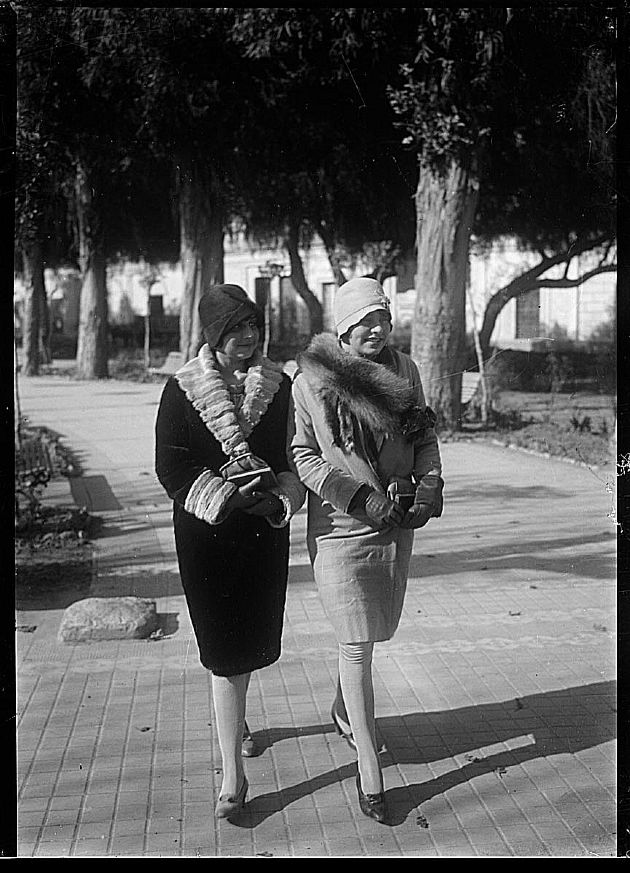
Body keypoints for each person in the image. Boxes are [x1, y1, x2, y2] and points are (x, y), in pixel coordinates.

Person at [289, 277, 443, 824]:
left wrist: (430, 483)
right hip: (340, 529)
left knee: (367, 635)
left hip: (395, 523)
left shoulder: (406, 370)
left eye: (382, 317)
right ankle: (369, 774)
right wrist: (356, 497)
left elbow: (423, 434)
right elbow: (304, 457)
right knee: (356, 645)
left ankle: (341, 709)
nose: (376, 328)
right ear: (343, 326)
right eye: (364, 320)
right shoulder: (311, 380)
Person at [155, 283, 305, 821]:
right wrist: (223, 495)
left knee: (249, 645)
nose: (247, 338)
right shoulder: (181, 390)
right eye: (235, 329)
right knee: (223, 656)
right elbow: (171, 465)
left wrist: (281, 496)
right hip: (207, 536)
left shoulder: (280, 387)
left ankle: (235, 721)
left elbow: (294, 455)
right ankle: (233, 780)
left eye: (253, 327)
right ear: (213, 335)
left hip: (262, 533)